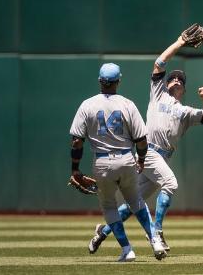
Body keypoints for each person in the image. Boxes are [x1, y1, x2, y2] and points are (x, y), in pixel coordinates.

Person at [88, 30, 203, 255]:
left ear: (184, 89)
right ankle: (156, 231)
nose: (176, 79)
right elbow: (159, 63)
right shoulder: (158, 94)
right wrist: (179, 43)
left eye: (181, 79)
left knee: (132, 204)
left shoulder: (186, 112)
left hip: (161, 157)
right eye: (172, 78)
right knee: (171, 183)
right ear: (166, 84)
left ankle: (103, 231)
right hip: (147, 152)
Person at [69, 62, 166, 262]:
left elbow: (77, 141)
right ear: (118, 81)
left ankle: (127, 250)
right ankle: (155, 241)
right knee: (137, 201)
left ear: (99, 81)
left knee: (109, 206)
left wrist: (75, 169)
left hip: (102, 163)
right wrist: (140, 160)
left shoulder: (87, 104)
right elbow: (141, 140)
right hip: (126, 158)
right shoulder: (127, 104)